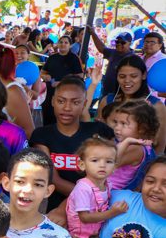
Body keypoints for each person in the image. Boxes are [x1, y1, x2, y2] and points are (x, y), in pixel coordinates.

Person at [30, 76, 115, 210]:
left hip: (99, 209)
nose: (67, 108)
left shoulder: (99, 131)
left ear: (84, 104)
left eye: (75, 102)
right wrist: (89, 196)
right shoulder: (42, 135)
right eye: (61, 101)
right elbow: (53, 179)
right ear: (52, 101)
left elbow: (114, 171)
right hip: (58, 210)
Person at [100, 158, 166, 238]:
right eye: (150, 181)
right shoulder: (122, 198)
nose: (156, 189)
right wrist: (61, 213)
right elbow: (81, 198)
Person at [97, 56, 166, 153]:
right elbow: (97, 134)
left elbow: (159, 145)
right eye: (122, 76)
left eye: (133, 76)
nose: (127, 80)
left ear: (144, 75)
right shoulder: (107, 101)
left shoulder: (156, 106)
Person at [65, 137, 126, 238]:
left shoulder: (108, 184)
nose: (102, 165)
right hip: (80, 237)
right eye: (95, 160)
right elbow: (84, 218)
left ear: (114, 168)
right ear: (82, 165)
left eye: (108, 161)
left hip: (96, 234)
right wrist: (113, 212)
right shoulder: (83, 188)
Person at [110, 100, 159, 192]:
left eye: (123, 124)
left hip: (112, 193)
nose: (117, 127)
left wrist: (126, 142)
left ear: (142, 128)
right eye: (116, 122)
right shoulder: (132, 144)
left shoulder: (135, 148)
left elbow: (108, 163)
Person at [89, 31, 133, 96]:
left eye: (122, 42)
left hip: (119, 95)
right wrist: (93, 33)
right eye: (117, 42)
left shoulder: (133, 58)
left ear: (129, 44)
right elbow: (102, 48)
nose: (119, 44)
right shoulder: (113, 52)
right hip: (106, 91)